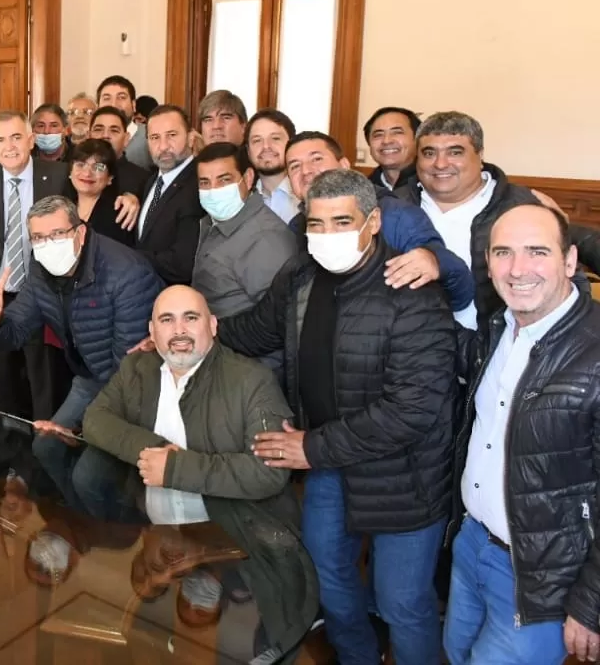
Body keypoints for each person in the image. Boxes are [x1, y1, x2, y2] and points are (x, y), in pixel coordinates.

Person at [220, 169, 457, 665]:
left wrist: (311, 448)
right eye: (316, 223)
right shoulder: (301, 277)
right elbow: (255, 330)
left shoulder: (412, 291)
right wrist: (193, 327)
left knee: (402, 604)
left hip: (404, 475)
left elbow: (412, 411)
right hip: (329, 461)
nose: (326, 236)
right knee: (327, 577)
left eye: (342, 222)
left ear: (372, 223)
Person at [446, 204, 600, 665]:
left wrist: (590, 601)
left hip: (542, 578)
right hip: (472, 544)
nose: (518, 269)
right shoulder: (498, 327)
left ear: (570, 261)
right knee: (455, 654)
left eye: (537, 251)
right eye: (503, 252)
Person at [0, 112, 136, 462]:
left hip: (44, 290)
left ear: (31, 139)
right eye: (1, 139)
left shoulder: (57, 175)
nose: (9, 146)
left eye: (16, 137)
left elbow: (93, 190)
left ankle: (42, 448)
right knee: (0, 378)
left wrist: (131, 195)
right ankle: (5, 442)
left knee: (43, 377)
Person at [79, 285, 293, 521]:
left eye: (191, 318)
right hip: (152, 532)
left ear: (212, 325)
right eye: (166, 320)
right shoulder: (136, 368)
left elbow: (269, 471)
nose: (179, 330)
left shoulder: (252, 380)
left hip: (228, 537)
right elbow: (94, 419)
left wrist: (174, 468)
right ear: (152, 331)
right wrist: (154, 449)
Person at [0, 196, 161, 438]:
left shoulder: (127, 274)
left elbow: (127, 370)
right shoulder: (41, 267)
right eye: (38, 238)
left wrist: (84, 430)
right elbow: (16, 331)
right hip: (87, 376)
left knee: (87, 469)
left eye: (58, 233)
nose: (47, 244)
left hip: (131, 389)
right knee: (46, 444)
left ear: (81, 233)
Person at [393, 111, 600, 328]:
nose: (441, 164)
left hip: (496, 347)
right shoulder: (395, 207)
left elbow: (570, 284)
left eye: (455, 152)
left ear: (480, 155)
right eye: (429, 153)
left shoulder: (520, 205)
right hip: (413, 344)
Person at [285, 131, 477, 319]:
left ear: (344, 165)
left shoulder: (396, 215)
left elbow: (458, 290)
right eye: (294, 166)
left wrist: (436, 260)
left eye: (316, 159)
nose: (306, 171)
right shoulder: (295, 227)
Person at [192, 142, 299, 319]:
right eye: (205, 182)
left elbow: (276, 321)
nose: (213, 191)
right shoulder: (214, 223)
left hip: (234, 343)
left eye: (224, 180)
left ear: (248, 178)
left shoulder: (266, 239)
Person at [134, 105, 202, 286]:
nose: (163, 146)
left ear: (190, 138)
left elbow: (183, 263)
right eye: (155, 138)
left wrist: (129, 258)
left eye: (172, 135)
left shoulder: (200, 184)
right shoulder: (151, 182)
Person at [66, 139, 133, 247]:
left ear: (110, 178)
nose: (87, 173)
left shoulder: (120, 214)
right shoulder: (61, 209)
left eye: (98, 167)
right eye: (81, 164)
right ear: (70, 172)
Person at [244, 109, 301, 224]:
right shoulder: (242, 201)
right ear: (248, 151)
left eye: (275, 138)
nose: (266, 146)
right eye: (257, 140)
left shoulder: (306, 195)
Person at [86, 106, 150, 197]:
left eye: (114, 130)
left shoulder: (144, 180)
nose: (105, 135)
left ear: (126, 139)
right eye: (98, 129)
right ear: (88, 136)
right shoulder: (75, 173)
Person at [96, 75, 151, 169]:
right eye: (107, 98)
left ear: (133, 105)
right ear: (97, 106)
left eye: (121, 97)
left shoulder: (150, 136)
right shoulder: (92, 138)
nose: (114, 104)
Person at [363, 106, 420, 190]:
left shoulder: (435, 186)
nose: (386, 141)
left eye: (397, 132)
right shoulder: (363, 191)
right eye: (378, 135)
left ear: (417, 140)